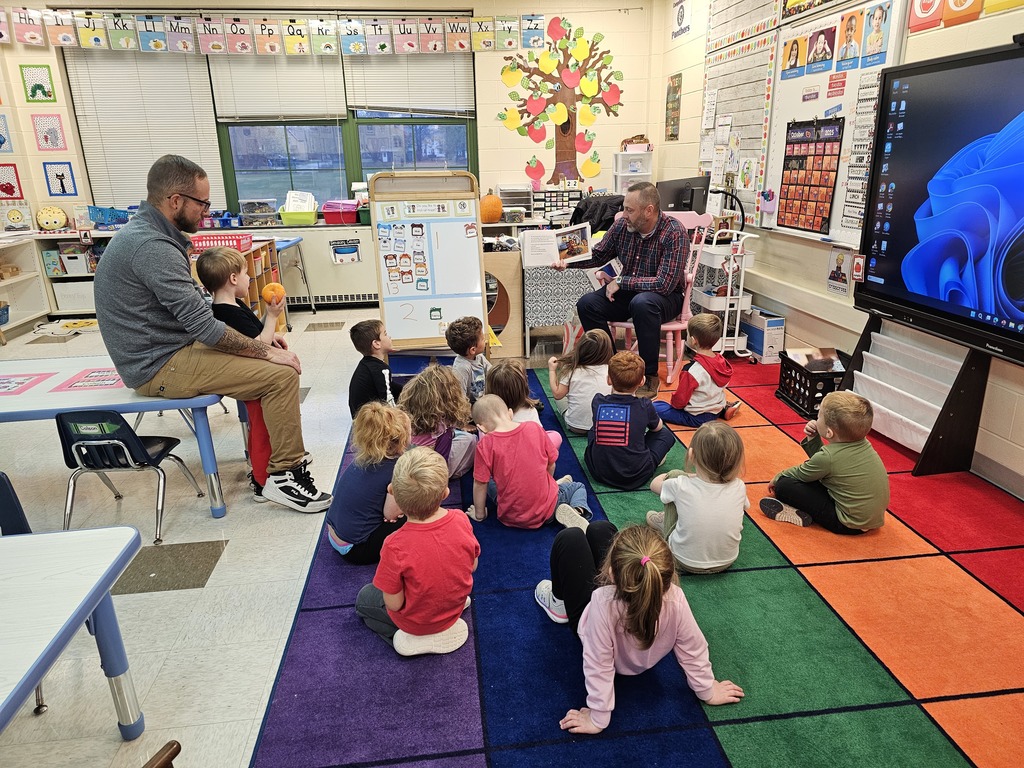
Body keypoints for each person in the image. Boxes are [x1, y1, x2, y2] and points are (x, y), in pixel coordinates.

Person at [93, 154, 331, 513]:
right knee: (280, 375)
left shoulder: (152, 235)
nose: (206, 211)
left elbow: (199, 312)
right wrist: (265, 351)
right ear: (175, 201)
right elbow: (204, 326)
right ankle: (283, 475)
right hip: (159, 364)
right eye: (202, 203)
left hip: (172, 349)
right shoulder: (152, 247)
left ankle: (274, 466)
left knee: (274, 366)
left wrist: (255, 345)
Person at [534, 524, 744, 733]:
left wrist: (598, 718)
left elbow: (598, 663)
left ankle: (558, 604)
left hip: (601, 629)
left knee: (570, 538)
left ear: (611, 575)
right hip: (639, 647)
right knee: (600, 530)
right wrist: (707, 690)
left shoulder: (601, 601)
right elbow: (693, 648)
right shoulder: (676, 597)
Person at [554, 182, 690, 400]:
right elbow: (598, 254)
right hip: (631, 292)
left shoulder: (674, 233)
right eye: (624, 208)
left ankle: (649, 374)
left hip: (666, 298)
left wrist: (623, 281)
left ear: (649, 210)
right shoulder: (621, 227)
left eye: (629, 209)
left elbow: (664, 284)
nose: (623, 214)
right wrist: (566, 261)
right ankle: (614, 365)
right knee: (587, 304)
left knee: (643, 303)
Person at [354, 448, 480, 656]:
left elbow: (394, 604)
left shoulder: (394, 544)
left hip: (415, 622)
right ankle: (440, 623)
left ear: (392, 492)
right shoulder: (461, 519)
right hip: (454, 608)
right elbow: (472, 566)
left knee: (364, 599)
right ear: (445, 494)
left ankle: (410, 636)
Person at [194, 246, 286, 503]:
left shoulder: (233, 305)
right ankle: (261, 481)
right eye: (246, 274)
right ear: (233, 279)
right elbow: (259, 345)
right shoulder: (227, 313)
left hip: (254, 375)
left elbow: (256, 336)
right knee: (261, 430)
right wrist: (272, 318)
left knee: (262, 429)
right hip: (255, 381)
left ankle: (265, 470)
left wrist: (273, 334)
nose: (249, 279)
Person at [760, 391, 889, 534]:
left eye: (819, 416)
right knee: (820, 477)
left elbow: (801, 473)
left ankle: (796, 512)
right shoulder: (863, 444)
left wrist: (778, 478)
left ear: (829, 433)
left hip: (846, 524)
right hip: (870, 519)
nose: (816, 419)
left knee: (785, 485)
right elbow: (826, 464)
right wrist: (813, 438)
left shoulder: (828, 457)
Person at [469, 394, 591, 529]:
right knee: (577, 487)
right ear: (510, 413)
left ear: (481, 428)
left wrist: (479, 514)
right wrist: (544, 487)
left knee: (489, 480)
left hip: (509, 515)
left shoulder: (484, 444)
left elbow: (480, 483)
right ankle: (577, 510)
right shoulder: (534, 428)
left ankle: (553, 487)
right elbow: (551, 464)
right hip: (547, 511)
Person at [646, 422, 748, 574]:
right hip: (727, 560)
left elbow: (654, 485)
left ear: (691, 455)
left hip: (682, 559)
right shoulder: (739, 485)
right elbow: (744, 507)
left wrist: (681, 475)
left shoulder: (681, 485)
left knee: (674, 476)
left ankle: (666, 523)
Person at [325, 403, 409, 565]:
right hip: (357, 549)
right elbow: (391, 515)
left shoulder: (361, 459)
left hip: (333, 534)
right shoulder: (397, 468)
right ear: (403, 439)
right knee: (417, 514)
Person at [585, 351, 677, 491]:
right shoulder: (644, 405)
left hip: (599, 471)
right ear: (642, 381)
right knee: (666, 435)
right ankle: (651, 457)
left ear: (609, 379)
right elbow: (657, 429)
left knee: (594, 430)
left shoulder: (597, 400)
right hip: (636, 476)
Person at [653, 314, 741, 427]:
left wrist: (673, 405)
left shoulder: (692, 370)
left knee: (655, 407)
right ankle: (724, 409)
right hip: (715, 410)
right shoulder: (722, 361)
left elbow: (680, 401)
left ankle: (721, 409)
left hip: (695, 417)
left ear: (694, 340)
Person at [398, 364, 475, 481]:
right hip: (431, 471)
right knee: (471, 440)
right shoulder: (443, 424)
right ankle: (453, 475)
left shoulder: (406, 414)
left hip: (407, 463)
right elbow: (442, 455)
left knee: (463, 436)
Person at [485, 358, 561, 452]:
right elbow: (539, 438)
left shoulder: (487, 416)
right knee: (556, 436)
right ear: (523, 388)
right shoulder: (530, 411)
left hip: (503, 454)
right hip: (529, 453)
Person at [548, 329, 614, 434]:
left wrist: (552, 370)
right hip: (603, 426)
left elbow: (557, 394)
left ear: (580, 348)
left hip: (576, 426)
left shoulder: (571, 369)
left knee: (560, 399)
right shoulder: (611, 370)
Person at [348, 319, 399, 417]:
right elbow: (388, 402)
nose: (389, 337)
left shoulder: (365, 365)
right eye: (385, 334)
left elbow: (392, 386)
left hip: (361, 422)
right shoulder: (381, 369)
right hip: (373, 425)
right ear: (376, 344)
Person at [445, 316, 491, 404]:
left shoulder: (480, 358)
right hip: (470, 411)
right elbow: (460, 399)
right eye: (482, 339)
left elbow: (492, 374)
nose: (484, 340)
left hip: (483, 405)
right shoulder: (462, 368)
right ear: (473, 350)